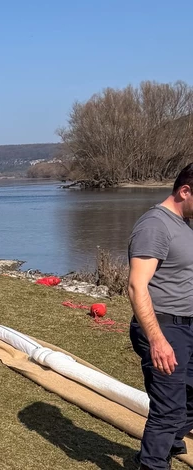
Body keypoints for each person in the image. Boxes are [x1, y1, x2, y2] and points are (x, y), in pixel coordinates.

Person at [127, 163, 193, 470]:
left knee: (184, 402)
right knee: (168, 408)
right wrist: (157, 340)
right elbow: (136, 286)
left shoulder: (185, 223)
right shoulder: (155, 225)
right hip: (165, 328)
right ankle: (152, 463)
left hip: (188, 324)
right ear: (184, 191)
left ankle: (169, 440)